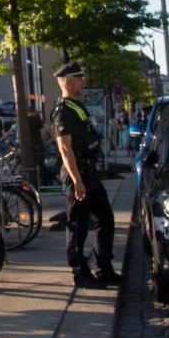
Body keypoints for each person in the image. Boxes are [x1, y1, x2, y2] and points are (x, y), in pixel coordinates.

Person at [51, 61, 120, 290]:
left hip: (90, 171)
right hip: (77, 174)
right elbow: (64, 148)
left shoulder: (77, 106)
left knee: (105, 218)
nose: (83, 82)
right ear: (68, 82)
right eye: (79, 78)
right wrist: (77, 181)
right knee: (78, 226)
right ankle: (80, 273)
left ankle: (104, 268)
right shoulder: (62, 111)